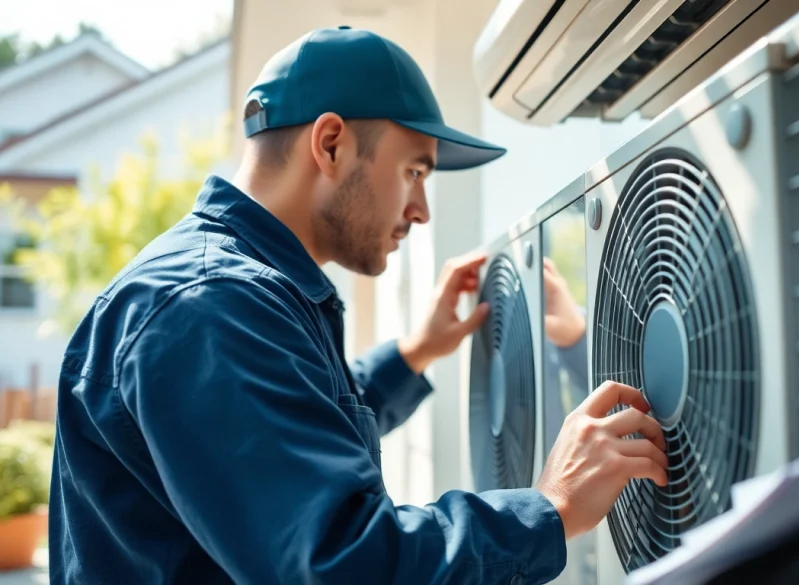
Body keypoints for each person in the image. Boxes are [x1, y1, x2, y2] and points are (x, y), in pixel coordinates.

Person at [48, 26, 669, 585]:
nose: (421, 210)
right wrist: (551, 509)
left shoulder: (233, 291)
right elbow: (342, 565)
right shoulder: (212, 305)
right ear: (331, 144)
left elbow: (286, 429)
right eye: (415, 172)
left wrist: (415, 353)